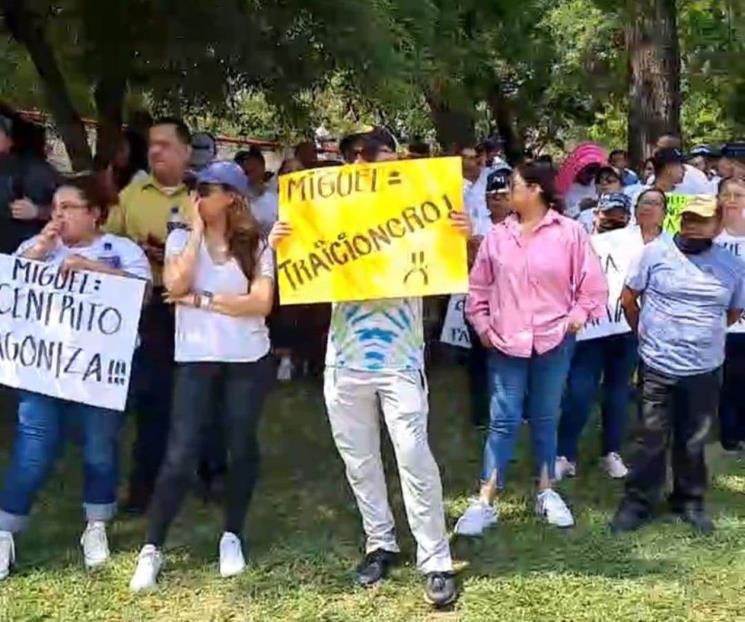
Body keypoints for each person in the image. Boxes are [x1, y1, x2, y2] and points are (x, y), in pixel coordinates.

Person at [267, 134, 467, 608]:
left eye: (393, 162)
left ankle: (435, 558)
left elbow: (453, 271)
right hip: (346, 357)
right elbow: (301, 273)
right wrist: (280, 244)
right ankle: (380, 542)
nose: (388, 169)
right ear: (357, 163)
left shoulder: (421, 205)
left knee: (413, 453)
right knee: (358, 458)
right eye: (380, 161)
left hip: (400, 357)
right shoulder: (327, 210)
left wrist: (461, 234)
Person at [129, 161, 274, 591]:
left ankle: (232, 533)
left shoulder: (257, 243)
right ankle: (152, 546)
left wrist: (203, 298)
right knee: (181, 452)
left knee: (241, 445)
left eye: (206, 189)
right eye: (196, 189)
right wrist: (193, 232)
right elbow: (174, 286)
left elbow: (261, 303)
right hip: (196, 356)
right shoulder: (179, 237)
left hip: (247, 357)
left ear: (230, 196)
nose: (197, 196)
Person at [0, 174, 151, 581]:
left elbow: (143, 293)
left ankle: (96, 525)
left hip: (99, 374)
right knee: (33, 450)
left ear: (95, 214)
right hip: (44, 373)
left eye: (68, 207)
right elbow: (10, 289)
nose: (58, 214)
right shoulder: (36, 248)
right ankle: (4, 533)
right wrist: (41, 250)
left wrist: (89, 267)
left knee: (99, 448)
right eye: (55, 207)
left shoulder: (122, 249)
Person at [455, 162, 607, 535]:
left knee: (544, 415)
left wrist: (577, 316)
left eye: (515, 185)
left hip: (554, 341)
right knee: (503, 419)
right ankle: (486, 499)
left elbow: (594, 287)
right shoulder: (496, 237)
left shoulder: (570, 233)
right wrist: (484, 327)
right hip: (506, 341)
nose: (507, 192)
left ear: (536, 189)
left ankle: (546, 491)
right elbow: (479, 290)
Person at [611, 196, 745, 535]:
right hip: (657, 364)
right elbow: (628, 298)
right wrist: (647, 335)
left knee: (693, 439)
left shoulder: (732, 265)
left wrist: (700, 335)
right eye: (687, 218)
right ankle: (638, 502)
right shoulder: (655, 252)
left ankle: (689, 500)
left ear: (716, 225)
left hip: (704, 368)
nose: (691, 225)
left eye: (700, 220)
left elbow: (732, 312)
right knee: (650, 438)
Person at [106, 116, 194, 514]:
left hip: (199, 306)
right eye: (152, 144)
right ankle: (145, 486)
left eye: (165, 144)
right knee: (154, 397)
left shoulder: (204, 194)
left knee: (201, 392)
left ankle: (211, 477)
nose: (156, 151)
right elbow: (107, 244)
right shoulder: (132, 195)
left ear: (186, 151)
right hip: (151, 306)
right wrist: (138, 256)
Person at [556, 192, 637, 481]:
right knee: (580, 391)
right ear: (596, 215)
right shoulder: (576, 243)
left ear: (628, 219)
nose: (614, 221)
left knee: (617, 392)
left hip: (624, 330)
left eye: (620, 216)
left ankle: (611, 452)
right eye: (608, 215)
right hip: (588, 331)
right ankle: (564, 453)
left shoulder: (637, 246)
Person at [467, 169, 513, 429]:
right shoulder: (475, 225)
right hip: (480, 302)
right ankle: (481, 413)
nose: (496, 200)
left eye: (503, 195)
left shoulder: (522, 225)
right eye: (492, 195)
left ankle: (515, 408)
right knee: (479, 360)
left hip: (513, 303)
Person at [714, 177, 745, 451]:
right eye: (728, 195)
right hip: (720, 321)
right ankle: (729, 433)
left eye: (739, 195)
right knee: (729, 378)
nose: (733, 201)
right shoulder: (711, 236)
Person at [0, 111, 58, 254]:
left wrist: (38, 211)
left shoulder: (35, 171)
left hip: (20, 257)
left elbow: (69, 211)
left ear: (10, 138)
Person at [236, 148, 278, 237]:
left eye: (253, 169)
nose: (249, 173)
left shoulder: (275, 195)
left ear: (262, 166)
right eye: (246, 171)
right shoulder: (236, 198)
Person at [577, 166, 624, 233]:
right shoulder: (585, 217)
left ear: (621, 186)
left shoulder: (633, 211)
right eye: (599, 180)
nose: (604, 183)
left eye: (610, 180)